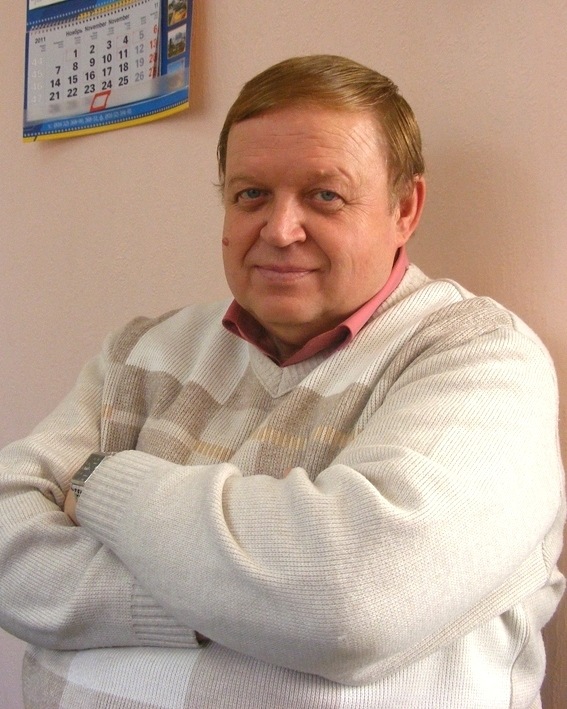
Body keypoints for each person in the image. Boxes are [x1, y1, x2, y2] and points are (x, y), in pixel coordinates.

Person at [0, 55, 564, 709]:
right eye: (251, 195)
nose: (278, 229)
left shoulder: (478, 355)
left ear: (404, 208)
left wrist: (103, 484)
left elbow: (348, 599)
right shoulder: (142, 350)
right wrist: (231, 603)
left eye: (324, 196)